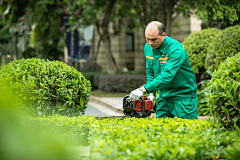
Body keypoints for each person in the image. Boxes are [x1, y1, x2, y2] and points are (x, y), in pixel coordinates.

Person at [129, 21, 198, 119]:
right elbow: (150, 73)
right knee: (160, 129)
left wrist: (143, 89)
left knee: (187, 129)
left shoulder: (176, 50)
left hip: (183, 97)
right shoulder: (147, 48)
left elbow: (167, 76)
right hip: (164, 96)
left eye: (154, 39)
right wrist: (151, 94)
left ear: (163, 35)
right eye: (147, 39)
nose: (150, 43)